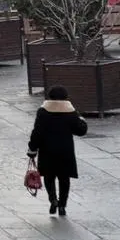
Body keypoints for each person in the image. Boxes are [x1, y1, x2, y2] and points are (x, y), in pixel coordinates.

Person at [27, 85, 89, 216]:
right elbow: (81, 130)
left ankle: (53, 200)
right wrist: (82, 120)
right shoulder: (70, 112)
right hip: (65, 150)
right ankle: (62, 205)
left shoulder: (43, 112)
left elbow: (37, 132)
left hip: (47, 150)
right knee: (64, 178)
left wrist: (32, 149)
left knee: (49, 177)